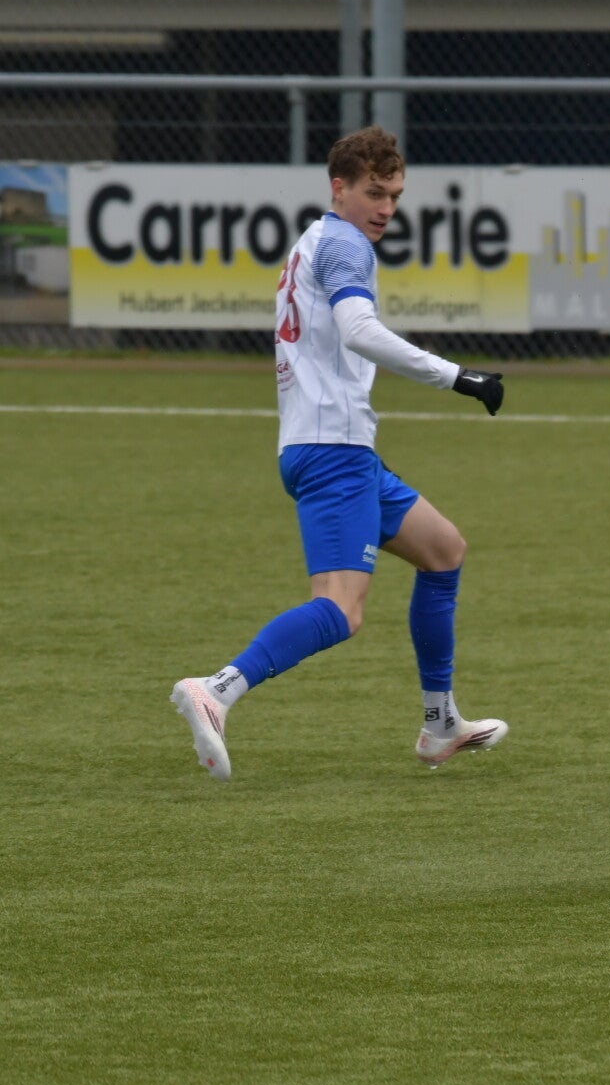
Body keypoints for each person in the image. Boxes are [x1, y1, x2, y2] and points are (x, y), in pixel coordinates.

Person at [170, 126, 511, 779]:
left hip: (330, 445)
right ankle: (216, 690)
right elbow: (358, 330)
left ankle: (440, 723)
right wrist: (457, 376)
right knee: (341, 609)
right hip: (333, 450)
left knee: (443, 551)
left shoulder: (313, 241)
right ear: (340, 188)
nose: (386, 208)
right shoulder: (346, 244)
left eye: (395, 195)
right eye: (374, 193)